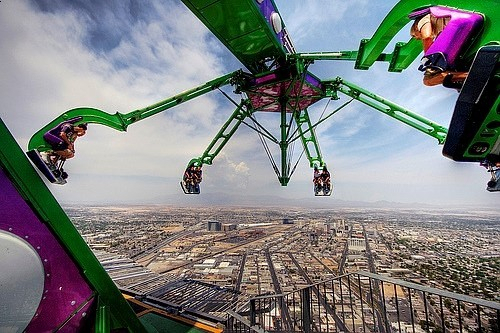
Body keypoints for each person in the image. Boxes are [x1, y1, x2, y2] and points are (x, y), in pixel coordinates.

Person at [409, 6, 483, 87]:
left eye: (414, 36)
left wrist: (428, 57)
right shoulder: (441, 29)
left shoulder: (421, 21)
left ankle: (472, 76)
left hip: (459, 24)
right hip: (465, 24)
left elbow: (427, 36)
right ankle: (464, 77)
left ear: (415, 28)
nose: (417, 38)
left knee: (428, 80)